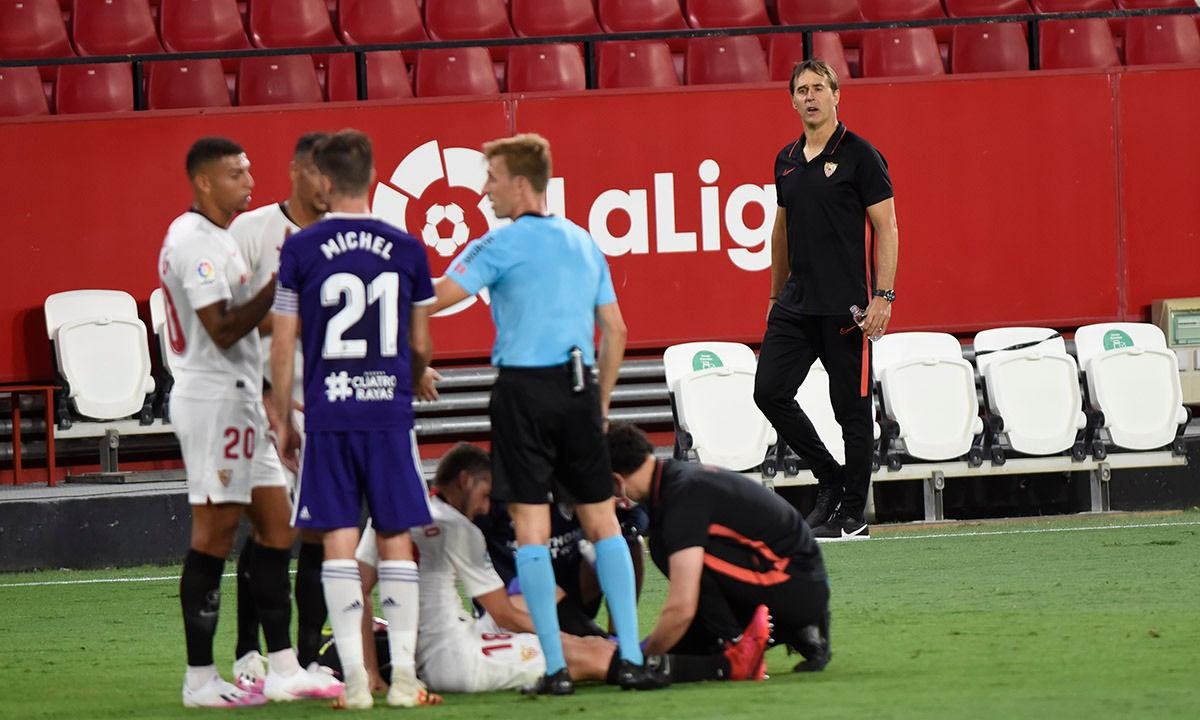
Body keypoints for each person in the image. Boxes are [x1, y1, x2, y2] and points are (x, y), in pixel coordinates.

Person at [427, 133, 660, 694]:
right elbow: (617, 331)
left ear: (521, 184)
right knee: (603, 523)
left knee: (530, 531)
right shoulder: (584, 241)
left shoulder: (499, 245)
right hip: (579, 388)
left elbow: (438, 297)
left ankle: (555, 669)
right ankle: (629, 658)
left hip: (523, 395)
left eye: (492, 178)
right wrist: (598, 403)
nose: (484, 191)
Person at [159, 137, 344, 708]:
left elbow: (252, 323)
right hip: (213, 400)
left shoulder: (218, 239)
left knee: (277, 527)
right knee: (213, 535)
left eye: (249, 167)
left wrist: (289, 309)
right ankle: (199, 679)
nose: (248, 178)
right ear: (204, 182)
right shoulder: (195, 243)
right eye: (235, 172)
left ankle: (284, 666)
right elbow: (221, 327)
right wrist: (279, 282)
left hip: (242, 397)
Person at [349, 443, 771, 692]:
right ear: (464, 479)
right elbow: (506, 613)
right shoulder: (459, 529)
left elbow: (357, 591)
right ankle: (726, 666)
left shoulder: (390, 514)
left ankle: (653, 653)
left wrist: (369, 671)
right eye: (485, 495)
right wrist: (563, 639)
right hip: (456, 659)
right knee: (588, 655)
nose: (485, 508)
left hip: (456, 638)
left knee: (589, 646)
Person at [269, 129, 438, 710]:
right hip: (389, 414)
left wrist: (282, 416)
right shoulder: (409, 247)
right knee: (394, 539)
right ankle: (408, 680)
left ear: (323, 179)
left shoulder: (300, 249)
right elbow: (420, 344)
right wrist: (409, 373)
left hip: (329, 414)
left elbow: (284, 342)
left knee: (338, 541)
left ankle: (358, 684)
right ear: (370, 176)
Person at [753, 58, 900, 541]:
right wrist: (776, 294)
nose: (810, 97)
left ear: (837, 95)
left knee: (851, 412)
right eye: (802, 90)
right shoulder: (786, 159)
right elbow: (780, 232)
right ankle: (830, 477)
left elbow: (887, 227)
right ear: (792, 100)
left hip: (848, 310)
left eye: (819, 88)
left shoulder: (861, 154)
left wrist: (883, 296)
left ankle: (853, 511)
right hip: (795, 305)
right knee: (768, 391)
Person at [226, 131, 330, 690]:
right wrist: (264, 388)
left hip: (331, 404)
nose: (326, 183)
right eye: (317, 170)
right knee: (271, 529)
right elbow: (227, 322)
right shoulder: (251, 231)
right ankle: (248, 652)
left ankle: (309, 657)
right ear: (295, 170)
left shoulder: (347, 234)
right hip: (264, 401)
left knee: (322, 530)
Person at [606, 422, 832, 673]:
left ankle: (735, 645)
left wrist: (641, 659)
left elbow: (681, 607)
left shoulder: (679, 495)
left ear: (617, 480)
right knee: (682, 646)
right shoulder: (676, 479)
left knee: (668, 549)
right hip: (799, 579)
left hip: (795, 585)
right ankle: (783, 632)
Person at [475, 497, 648, 639]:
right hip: (516, 603)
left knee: (627, 544)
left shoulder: (572, 480)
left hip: (569, 593)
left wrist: (628, 530)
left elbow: (636, 511)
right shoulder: (497, 498)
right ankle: (590, 640)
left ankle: (617, 635)